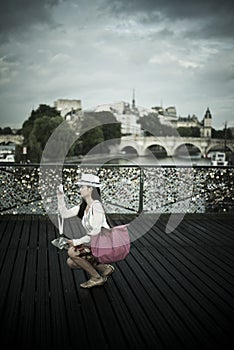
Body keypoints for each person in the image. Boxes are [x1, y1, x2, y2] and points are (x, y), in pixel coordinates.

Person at [57, 173, 115, 289]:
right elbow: (64, 213)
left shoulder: (97, 207)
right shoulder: (84, 206)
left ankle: (97, 278)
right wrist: (60, 197)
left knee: (72, 252)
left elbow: (96, 232)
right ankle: (104, 268)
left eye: (82, 187)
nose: (80, 189)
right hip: (94, 242)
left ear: (90, 189)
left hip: (104, 242)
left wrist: (76, 241)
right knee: (71, 262)